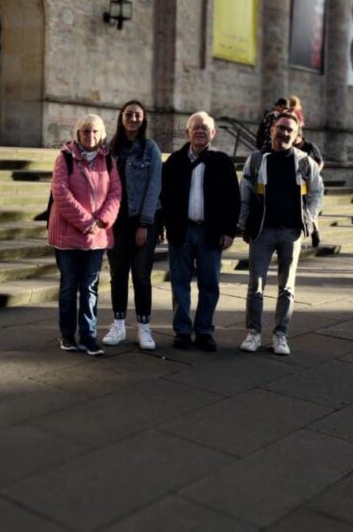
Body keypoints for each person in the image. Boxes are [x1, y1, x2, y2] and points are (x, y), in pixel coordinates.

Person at [238, 110, 323, 356]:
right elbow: (245, 194)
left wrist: (307, 221)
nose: (284, 133)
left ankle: (280, 335)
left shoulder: (305, 162)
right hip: (262, 232)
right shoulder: (256, 159)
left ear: (297, 136)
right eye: (281, 127)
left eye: (290, 130)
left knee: (287, 287)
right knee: (256, 285)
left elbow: (317, 193)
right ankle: (253, 333)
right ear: (272, 129)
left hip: (291, 233)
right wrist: (244, 224)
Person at [160, 111, 240, 351]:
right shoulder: (174, 161)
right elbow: (164, 196)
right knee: (180, 284)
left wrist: (229, 231)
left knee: (209, 284)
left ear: (213, 133)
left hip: (210, 233)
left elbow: (233, 200)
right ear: (187, 132)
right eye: (195, 127)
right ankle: (182, 331)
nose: (200, 131)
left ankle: (204, 331)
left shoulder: (222, 162)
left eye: (205, 128)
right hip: (181, 232)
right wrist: (165, 225)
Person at [48, 114, 121, 354]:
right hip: (68, 235)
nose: (91, 136)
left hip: (96, 236)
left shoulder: (108, 160)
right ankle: (67, 335)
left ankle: (89, 335)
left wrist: (101, 221)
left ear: (102, 135)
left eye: (95, 132)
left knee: (90, 288)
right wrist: (86, 222)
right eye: (86, 131)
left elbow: (116, 193)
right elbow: (60, 192)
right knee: (69, 287)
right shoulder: (65, 158)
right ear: (78, 133)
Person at [102, 100, 162, 350]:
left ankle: (144, 328)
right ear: (121, 117)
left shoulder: (150, 149)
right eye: (129, 114)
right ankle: (118, 326)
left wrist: (144, 224)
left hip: (142, 222)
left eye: (138, 115)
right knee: (117, 276)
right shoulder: (110, 149)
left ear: (144, 118)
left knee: (141, 276)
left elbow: (154, 188)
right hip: (116, 222)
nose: (133, 119)